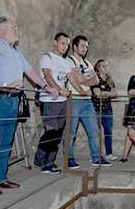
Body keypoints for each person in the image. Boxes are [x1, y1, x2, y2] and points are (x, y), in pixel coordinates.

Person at [0, 17, 56, 192]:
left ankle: (0, 177)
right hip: (0, 98)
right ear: (2, 30)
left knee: (6, 140)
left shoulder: (14, 50)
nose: (17, 31)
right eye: (14, 28)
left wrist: (45, 86)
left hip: (14, 99)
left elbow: (29, 71)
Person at [34, 33, 74, 174]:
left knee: (58, 134)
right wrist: (58, 89)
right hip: (49, 100)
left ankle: (50, 163)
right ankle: (40, 160)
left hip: (62, 101)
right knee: (50, 132)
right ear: (55, 42)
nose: (65, 47)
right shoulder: (47, 57)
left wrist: (82, 91)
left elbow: (71, 78)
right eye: (63, 43)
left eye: (67, 44)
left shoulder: (65, 61)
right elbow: (47, 75)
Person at [66, 36, 107, 168]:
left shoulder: (87, 63)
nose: (85, 49)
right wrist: (85, 80)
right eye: (82, 46)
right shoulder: (68, 61)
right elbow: (78, 78)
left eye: (86, 47)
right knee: (71, 132)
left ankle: (96, 157)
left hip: (87, 100)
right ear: (75, 46)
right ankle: (69, 157)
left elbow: (95, 81)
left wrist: (85, 79)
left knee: (94, 130)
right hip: (75, 99)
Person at [91, 60, 118, 161]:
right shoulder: (95, 79)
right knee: (95, 133)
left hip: (108, 109)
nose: (106, 68)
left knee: (108, 132)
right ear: (98, 68)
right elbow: (98, 94)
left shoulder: (109, 80)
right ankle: (96, 154)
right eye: (103, 66)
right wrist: (108, 93)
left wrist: (104, 93)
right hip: (97, 109)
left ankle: (109, 153)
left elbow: (115, 94)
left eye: (107, 65)